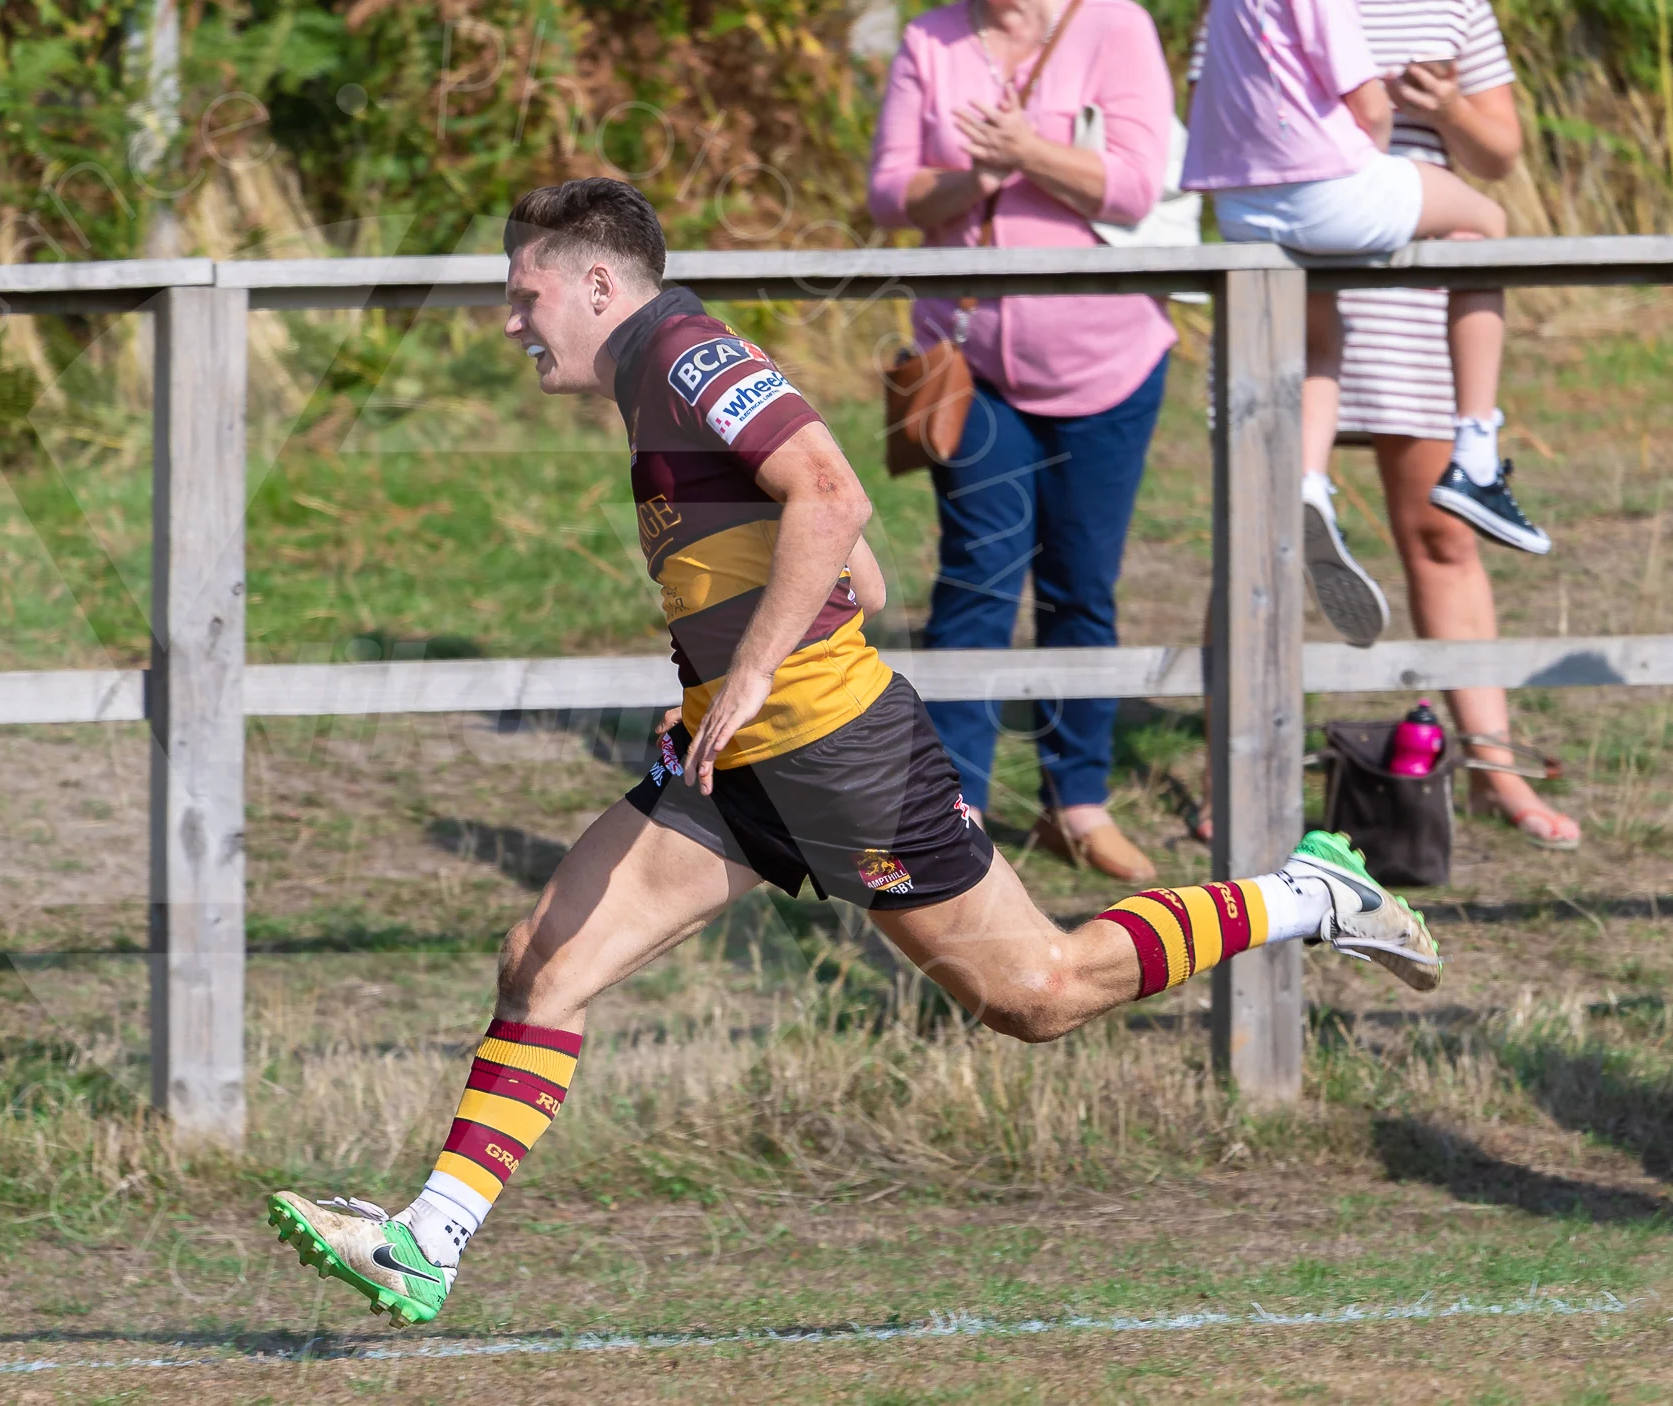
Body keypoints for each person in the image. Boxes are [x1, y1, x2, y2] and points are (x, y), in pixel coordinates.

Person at [264, 178, 1441, 1328]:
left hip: (839, 752)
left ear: (600, 284)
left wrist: (755, 668)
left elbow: (831, 498)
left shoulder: (683, 353)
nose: (509, 320)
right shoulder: (650, 380)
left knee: (1036, 994)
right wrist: (720, 678)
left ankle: (1309, 892)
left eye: (525, 295)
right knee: (544, 958)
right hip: (736, 761)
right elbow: (858, 575)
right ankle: (428, 1239)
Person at [867, 0, 1180, 882]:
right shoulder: (931, 38)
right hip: (972, 372)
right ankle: (951, 810)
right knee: (978, 578)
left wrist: (1028, 152)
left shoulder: (1117, 25)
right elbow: (889, 195)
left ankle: (1076, 805)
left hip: (1112, 365)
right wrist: (977, 176)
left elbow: (1134, 187)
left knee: (1082, 585)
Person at [1182, 0, 1531, 650]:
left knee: (1319, 352)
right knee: (1487, 225)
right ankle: (1478, 451)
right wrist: (1366, 168)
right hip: (1344, 203)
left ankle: (1308, 485)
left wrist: (1449, 108)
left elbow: (1212, 111)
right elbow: (1368, 109)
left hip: (1252, 216)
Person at [1333, 0, 1577, 846]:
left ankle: (1493, 768)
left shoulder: (1455, 4)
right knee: (1267, 544)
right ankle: (1233, 771)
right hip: (1290, 275)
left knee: (1442, 533)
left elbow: (1499, 154)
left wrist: (1446, 109)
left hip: (1418, 296)